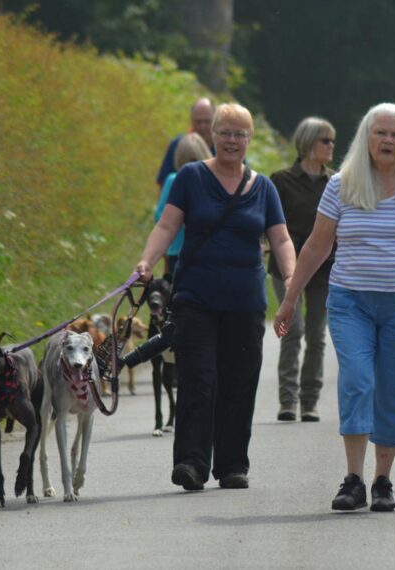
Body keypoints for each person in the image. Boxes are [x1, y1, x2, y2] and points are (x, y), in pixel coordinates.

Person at [273, 103, 395, 513]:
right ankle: (353, 479)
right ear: (366, 137)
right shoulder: (343, 184)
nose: (388, 141)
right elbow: (317, 245)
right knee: (356, 379)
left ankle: (382, 480)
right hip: (351, 301)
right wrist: (289, 298)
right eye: (380, 133)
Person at [136, 103, 296, 492]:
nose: (232, 140)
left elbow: (281, 238)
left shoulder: (263, 188)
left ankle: (232, 465)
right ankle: (191, 462)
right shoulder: (190, 178)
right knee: (198, 379)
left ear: (249, 140)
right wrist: (146, 261)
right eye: (225, 132)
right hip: (196, 298)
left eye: (240, 134)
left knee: (239, 382)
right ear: (213, 136)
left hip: (245, 301)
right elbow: (167, 224)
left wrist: (291, 279)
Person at [268, 117, 336, 422]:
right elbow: (268, 221)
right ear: (308, 143)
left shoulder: (335, 182)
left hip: (324, 268)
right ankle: (287, 399)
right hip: (287, 266)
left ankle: (309, 400)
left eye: (332, 141)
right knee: (292, 330)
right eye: (325, 141)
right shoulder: (280, 180)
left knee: (316, 334)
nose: (331, 146)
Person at [155, 133, 213, 276]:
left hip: (205, 252)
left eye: (194, 161)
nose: (189, 167)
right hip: (177, 251)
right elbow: (159, 214)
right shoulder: (172, 180)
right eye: (185, 162)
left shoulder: (211, 182)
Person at [156, 98, 216, 188]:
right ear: (191, 121)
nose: (202, 126)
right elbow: (163, 183)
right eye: (198, 121)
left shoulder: (224, 149)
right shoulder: (177, 145)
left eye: (207, 121)